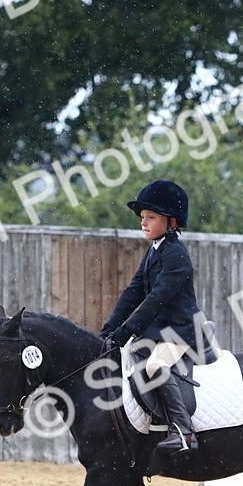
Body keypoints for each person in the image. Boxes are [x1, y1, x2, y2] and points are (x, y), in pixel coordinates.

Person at [100, 180, 202, 454]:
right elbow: (133, 292)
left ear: (171, 222)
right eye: (142, 218)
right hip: (159, 331)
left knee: (155, 366)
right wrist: (110, 326)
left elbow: (156, 300)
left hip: (181, 331)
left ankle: (183, 430)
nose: (143, 223)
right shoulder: (154, 251)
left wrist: (127, 329)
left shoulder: (176, 255)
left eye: (151, 218)